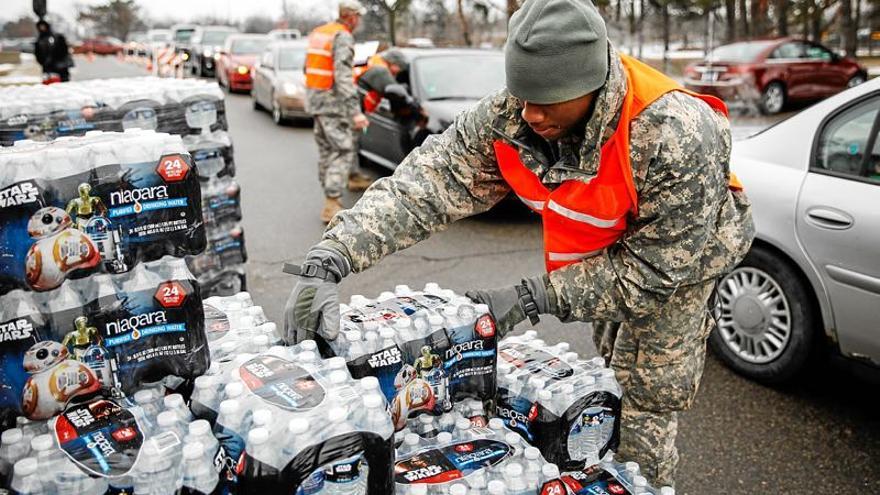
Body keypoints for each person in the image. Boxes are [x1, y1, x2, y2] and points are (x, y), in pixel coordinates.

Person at [284, 0, 754, 487]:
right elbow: (430, 182)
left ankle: (644, 484)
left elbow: (655, 271)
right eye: (523, 95)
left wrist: (535, 296)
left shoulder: (674, 131)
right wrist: (332, 256)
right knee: (607, 378)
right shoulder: (515, 111)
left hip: (679, 262)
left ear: (590, 86)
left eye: (547, 100)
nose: (530, 114)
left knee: (646, 396)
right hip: (604, 248)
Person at [304, 0, 374, 223]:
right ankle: (331, 202)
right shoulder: (342, 36)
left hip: (316, 100)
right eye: (358, 17)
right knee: (343, 150)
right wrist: (355, 112)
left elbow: (307, 67)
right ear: (351, 17)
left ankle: (342, 185)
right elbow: (343, 76)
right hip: (333, 103)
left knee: (326, 150)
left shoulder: (319, 32)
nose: (359, 21)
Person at [355, 49, 429, 148]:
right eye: (399, 67)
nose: (399, 72)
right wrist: (418, 109)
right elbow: (396, 91)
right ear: (393, 62)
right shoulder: (380, 70)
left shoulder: (374, 65)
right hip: (350, 111)